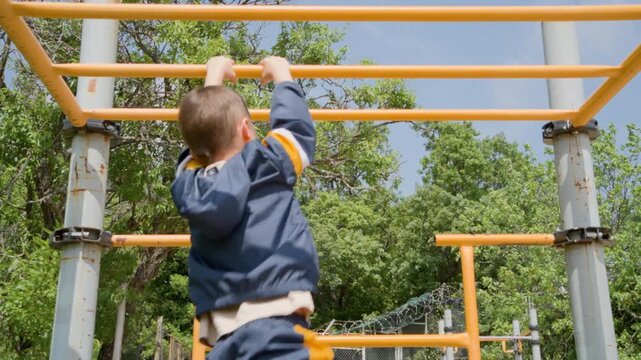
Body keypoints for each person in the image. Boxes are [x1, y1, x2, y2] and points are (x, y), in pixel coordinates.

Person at [171, 56, 333, 360]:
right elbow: (296, 131)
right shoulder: (266, 163)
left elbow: (199, 142)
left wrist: (211, 82)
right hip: (278, 322)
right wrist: (283, 76)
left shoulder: (188, 184)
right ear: (247, 129)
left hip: (223, 337)